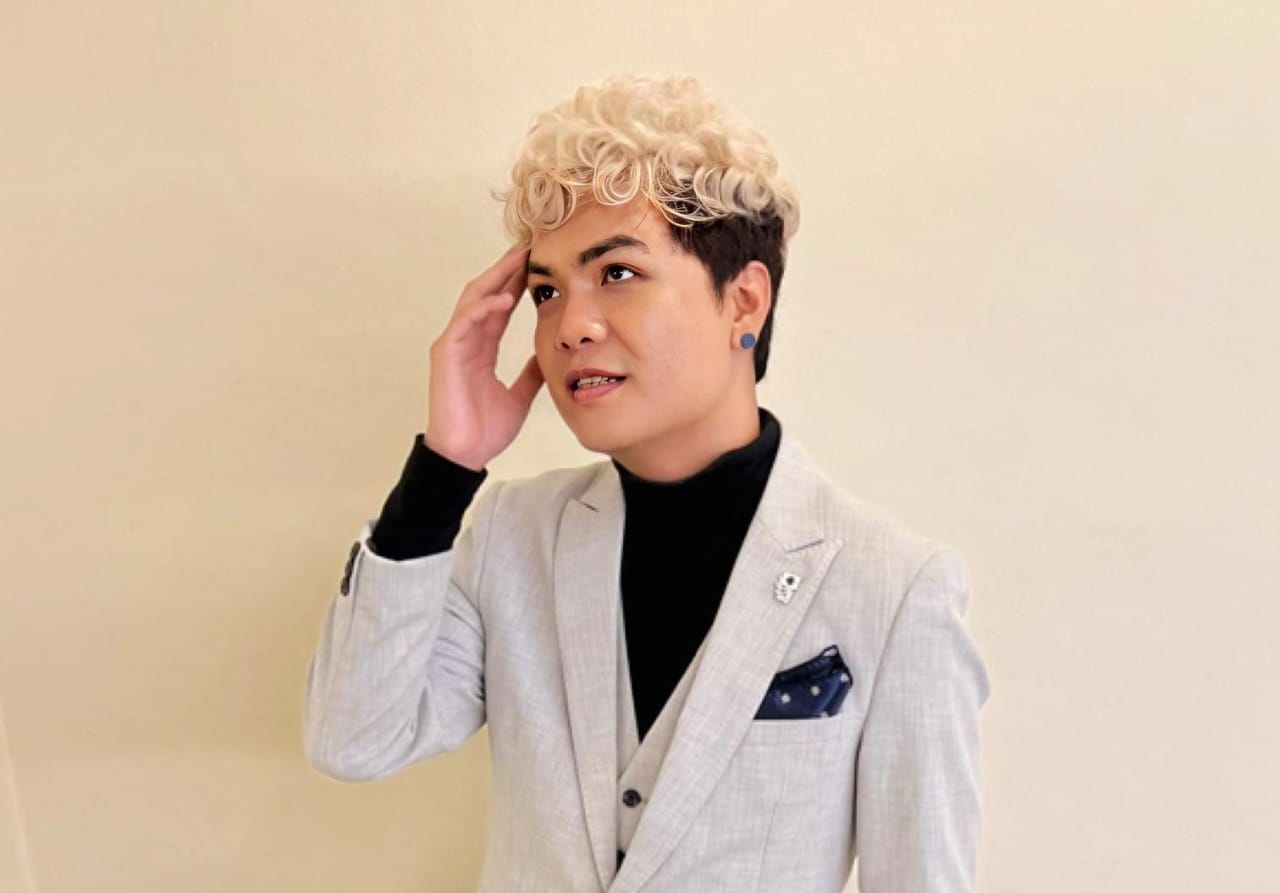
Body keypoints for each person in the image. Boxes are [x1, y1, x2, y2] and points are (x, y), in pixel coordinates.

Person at [302, 73, 992, 893]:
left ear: (745, 301)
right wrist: (446, 470)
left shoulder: (894, 586)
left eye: (618, 273)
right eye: (546, 291)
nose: (571, 326)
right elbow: (354, 738)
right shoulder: (510, 537)